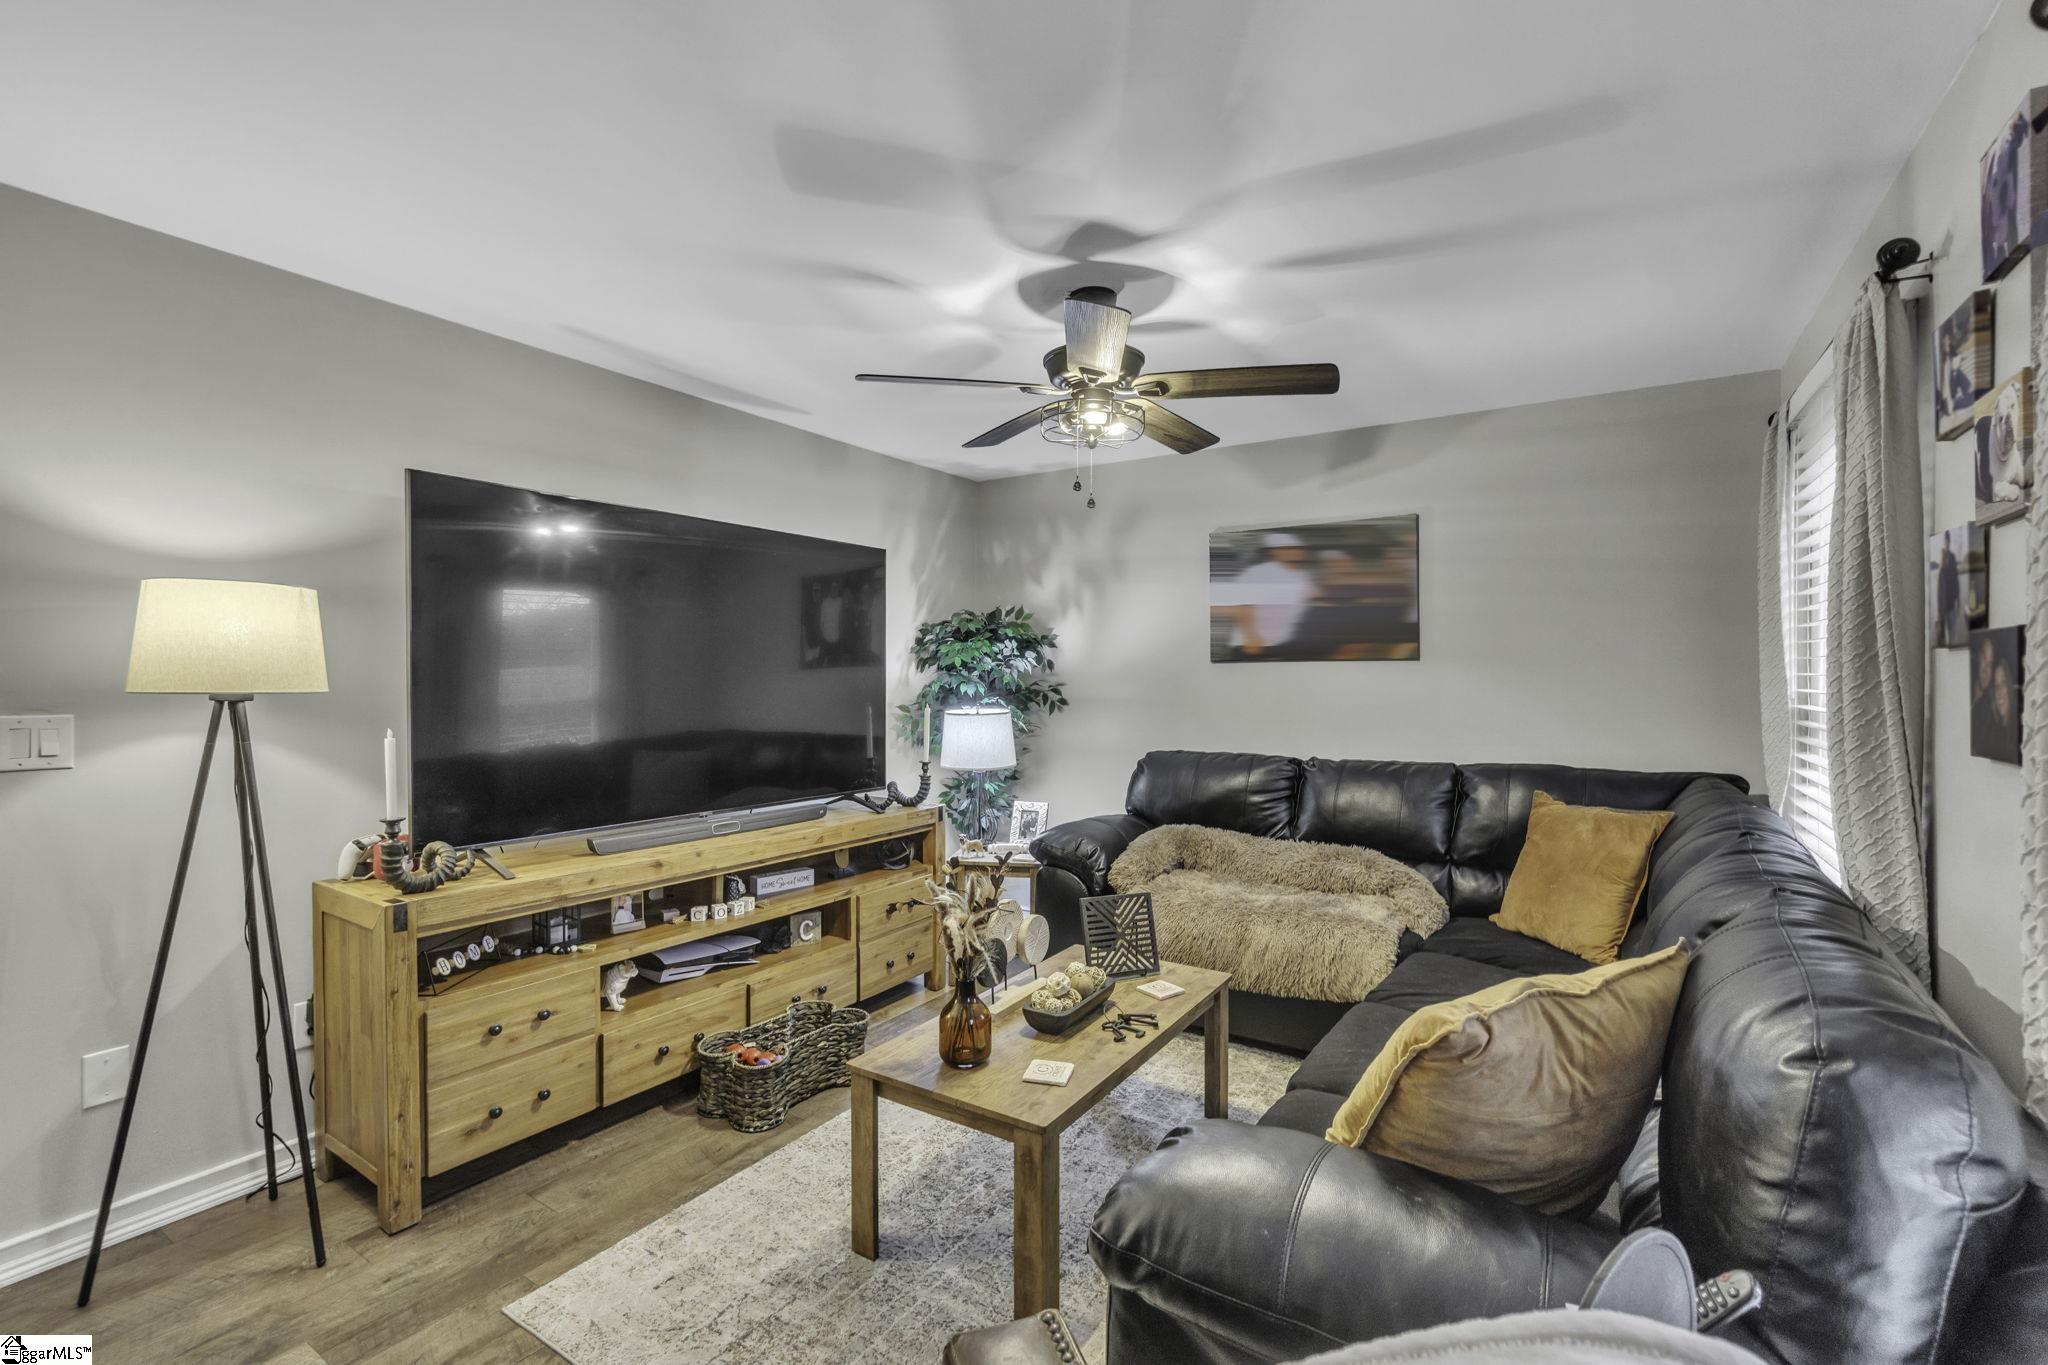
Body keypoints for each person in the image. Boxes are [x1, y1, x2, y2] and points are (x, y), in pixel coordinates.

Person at [1214, 532, 1317, 659]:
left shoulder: (1304, 576)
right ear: (1274, 552)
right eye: (1287, 548)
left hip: (1285, 643)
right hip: (1253, 644)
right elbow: (1239, 605)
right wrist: (1251, 636)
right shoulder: (1258, 572)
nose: (1294, 551)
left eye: (1297, 548)